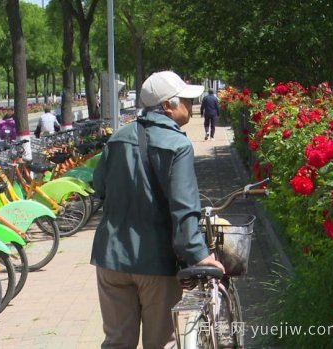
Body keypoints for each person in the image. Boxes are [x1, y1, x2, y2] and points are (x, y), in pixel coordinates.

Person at [91, 71, 225, 349]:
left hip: (109, 258)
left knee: (116, 342)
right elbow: (185, 209)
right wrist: (200, 257)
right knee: (161, 342)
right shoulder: (178, 145)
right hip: (155, 262)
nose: (190, 105)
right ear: (167, 106)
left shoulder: (117, 138)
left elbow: (100, 186)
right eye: (185, 100)